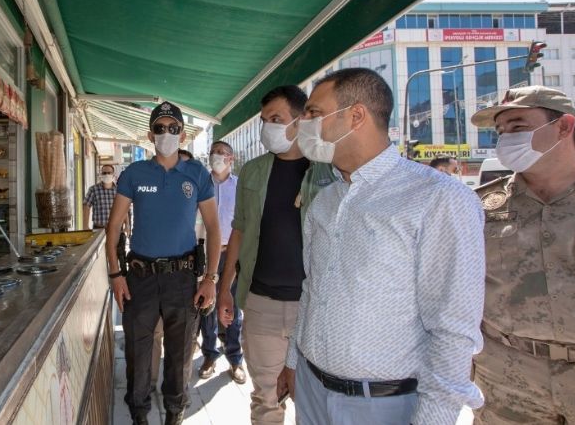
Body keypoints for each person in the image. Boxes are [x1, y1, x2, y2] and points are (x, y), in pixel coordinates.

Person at [278, 68, 486, 424]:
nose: (303, 125)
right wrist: (293, 362)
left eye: (313, 113)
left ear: (356, 116)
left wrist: (433, 419)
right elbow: (312, 289)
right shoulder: (324, 201)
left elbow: (453, 331)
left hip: (383, 404)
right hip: (312, 391)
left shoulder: (438, 198)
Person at [216, 85, 335, 425]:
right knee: (266, 399)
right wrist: (225, 288)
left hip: (312, 306)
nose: (268, 126)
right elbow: (239, 230)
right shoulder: (253, 171)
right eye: (265, 120)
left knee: (312, 401)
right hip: (261, 304)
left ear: (300, 121)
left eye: (277, 119)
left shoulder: (326, 170)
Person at [470, 85, 575, 424]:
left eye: (518, 126)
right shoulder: (479, 207)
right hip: (510, 381)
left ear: (564, 127)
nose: (507, 138)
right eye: (501, 131)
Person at [105, 101, 221, 425]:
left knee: (180, 354)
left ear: (182, 135)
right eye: (160, 128)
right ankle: (139, 414)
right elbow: (113, 227)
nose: (166, 133)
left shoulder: (197, 174)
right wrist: (115, 274)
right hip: (139, 277)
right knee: (138, 352)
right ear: (150, 135)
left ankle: (175, 412)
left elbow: (213, 228)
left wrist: (210, 278)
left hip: (182, 280)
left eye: (173, 128)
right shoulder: (134, 174)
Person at [198, 140, 245, 384]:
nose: (216, 156)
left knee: (233, 306)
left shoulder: (240, 187)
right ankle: (210, 355)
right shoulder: (201, 184)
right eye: (213, 152)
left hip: (231, 254)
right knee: (207, 306)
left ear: (231, 159)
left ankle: (235, 358)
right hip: (207, 255)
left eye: (222, 152)